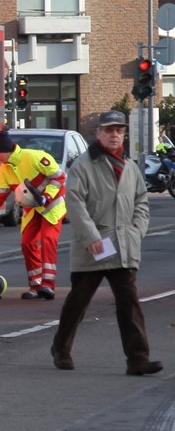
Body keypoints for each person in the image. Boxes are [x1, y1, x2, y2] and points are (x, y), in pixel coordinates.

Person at [50, 111, 162, 375]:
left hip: (124, 245)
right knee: (78, 301)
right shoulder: (84, 165)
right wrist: (91, 237)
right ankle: (61, 348)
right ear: (98, 133)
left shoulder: (130, 166)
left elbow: (141, 203)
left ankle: (137, 359)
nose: (114, 135)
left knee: (129, 302)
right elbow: (74, 203)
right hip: (95, 246)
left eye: (119, 131)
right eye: (109, 130)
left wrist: (137, 229)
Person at [0, 129, 67, 300]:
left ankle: (48, 285)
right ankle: (35, 286)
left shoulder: (34, 157)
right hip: (32, 210)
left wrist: (48, 196)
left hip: (51, 207)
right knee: (27, 244)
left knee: (48, 240)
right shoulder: (6, 169)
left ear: (6, 151)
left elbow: (59, 177)